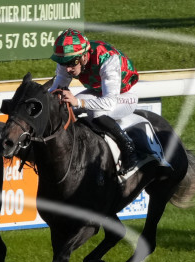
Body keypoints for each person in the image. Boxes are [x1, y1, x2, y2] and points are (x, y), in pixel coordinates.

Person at [47, 29, 161, 177]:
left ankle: (129, 149)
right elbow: (56, 90)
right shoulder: (68, 61)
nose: (67, 69)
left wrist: (78, 102)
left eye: (72, 63)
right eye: (63, 63)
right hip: (99, 91)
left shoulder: (107, 59)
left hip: (124, 95)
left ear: (84, 56)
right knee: (69, 108)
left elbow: (109, 103)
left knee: (96, 112)